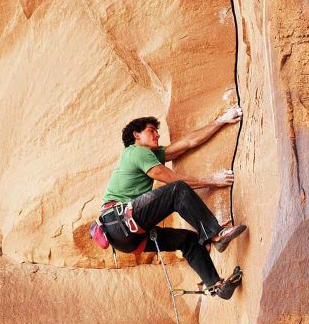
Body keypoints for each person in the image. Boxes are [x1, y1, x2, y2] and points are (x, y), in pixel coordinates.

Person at [98, 108, 247, 299]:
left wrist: (221, 121)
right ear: (136, 135)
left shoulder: (149, 154)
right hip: (121, 220)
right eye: (151, 130)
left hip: (125, 238)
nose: (157, 134)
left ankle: (216, 285)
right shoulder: (135, 152)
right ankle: (216, 235)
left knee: (189, 241)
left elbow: (188, 143)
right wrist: (212, 181)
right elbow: (170, 179)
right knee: (177, 190)